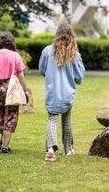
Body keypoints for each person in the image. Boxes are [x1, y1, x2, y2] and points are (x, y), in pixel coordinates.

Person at [39, 23, 85, 162]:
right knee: (67, 120)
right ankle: (68, 149)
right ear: (72, 36)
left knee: (52, 119)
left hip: (52, 93)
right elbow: (79, 77)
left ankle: (51, 149)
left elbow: (42, 70)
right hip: (67, 94)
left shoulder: (47, 51)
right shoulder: (74, 54)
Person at [0, 31, 29, 155]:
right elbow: (21, 76)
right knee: (11, 116)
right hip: (11, 88)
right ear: (12, 42)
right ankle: (5, 147)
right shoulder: (15, 56)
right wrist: (25, 90)